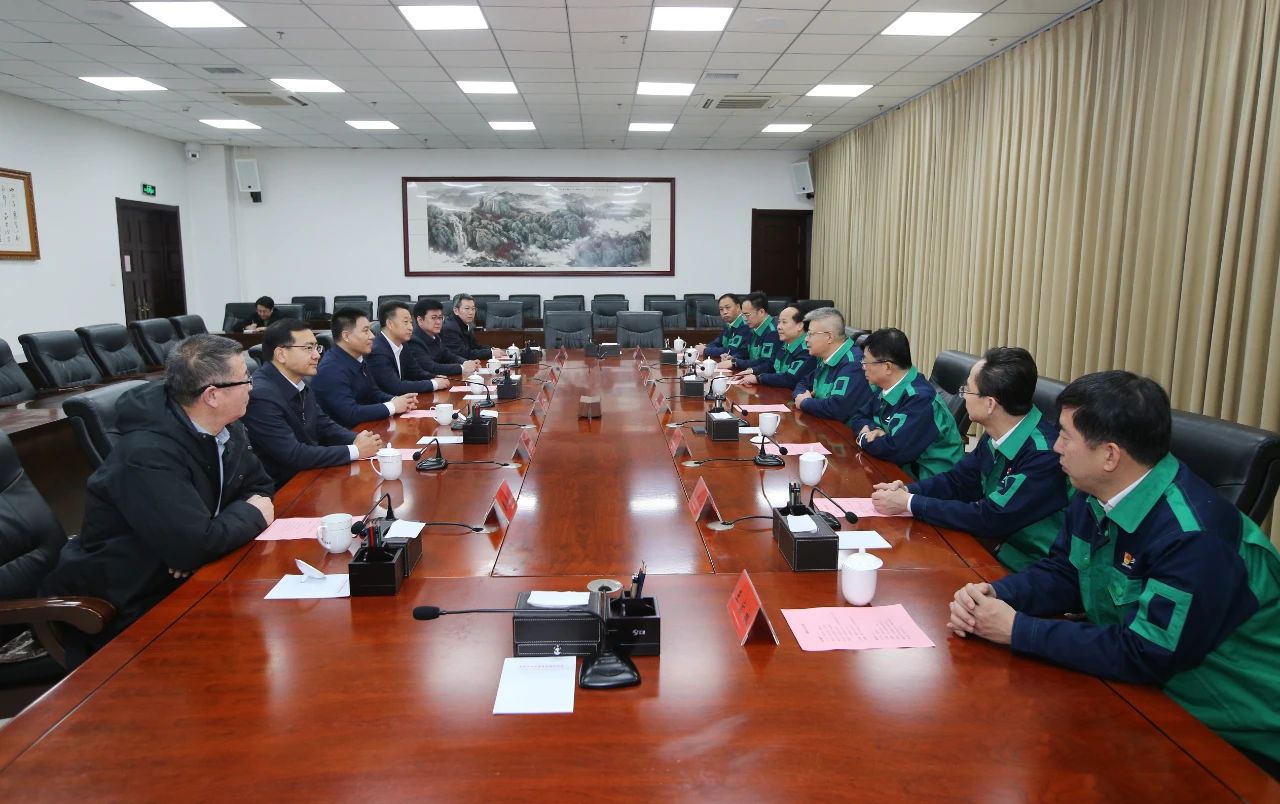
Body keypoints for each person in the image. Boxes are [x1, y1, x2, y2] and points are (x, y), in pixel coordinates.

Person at [947, 371, 1280, 773]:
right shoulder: (1095, 493)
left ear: (1109, 455)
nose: (1055, 446)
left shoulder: (1193, 537)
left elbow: (1146, 652)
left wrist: (1018, 629)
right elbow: (1065, 572)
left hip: (1229, 734)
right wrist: (996, 596)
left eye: (1066, 436)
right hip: (1136, 694)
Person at [39, 334, 275, 665]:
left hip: (183, 575)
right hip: (128, 600)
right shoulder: (147, 453)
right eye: (245, 378)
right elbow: (194, 545)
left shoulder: (226, 427)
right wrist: (237, 522)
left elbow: (261, 487)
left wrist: (202, 539)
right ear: (212, 395)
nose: (252, 386)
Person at [870, 347, 1068, 570]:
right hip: (990, 547)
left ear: (990, 404)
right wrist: (907, 491)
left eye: (967, 391)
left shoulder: (1044, 455)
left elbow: (990, 518)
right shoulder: (999, 431)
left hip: (1027, 566)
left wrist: (910, 503)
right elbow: (959, 480)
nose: (962, 396)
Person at [242, 319, 382, 489]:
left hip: (308, 474)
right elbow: (293, 454)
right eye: (308, 348)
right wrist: (356, 450)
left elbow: (323, 424)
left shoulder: (299, 382)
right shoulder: (261, 395)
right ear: (281, 355)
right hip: (283, 488)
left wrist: (357, 439)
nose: (317, 355)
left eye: (316, 347)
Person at [847, 327, 963, 479]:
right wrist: (876, 430)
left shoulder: (920, 399)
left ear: (887, 367)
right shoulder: (885, 385)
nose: (863, 366)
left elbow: (896, 451)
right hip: (894, 466)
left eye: (866, 361)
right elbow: (858, 417)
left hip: (928, 479)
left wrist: (864, 438)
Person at [311, 307, 418, 429]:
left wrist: (398, 400)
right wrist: (393, 406)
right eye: (365, 331)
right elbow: (350, 413)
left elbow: (373, 393)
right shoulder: (330, 369)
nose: (372, 336)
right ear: (346, 336)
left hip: (367, 428)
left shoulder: (358, 358)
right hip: (346, 435)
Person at [792, 307, 873, 422]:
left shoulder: (853, 363)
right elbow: (803, 382)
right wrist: (801, 397)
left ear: (829, 337)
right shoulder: (825, 356)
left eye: (810, 334)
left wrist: (805, 402)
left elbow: (837, 408)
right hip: (821, 422)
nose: (806, 339)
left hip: (844, 430)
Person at [369, 301, 450, 395]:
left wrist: (435, 377)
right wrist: (434, 384)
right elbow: (395, 387)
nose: (410, 327)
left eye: (411, 322)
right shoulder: (377, 351)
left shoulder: (403, 344)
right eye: (405, 322)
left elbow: (416, 372)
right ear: (390, 324)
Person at [735, 304, 816, 390]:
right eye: (779, 322)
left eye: (784, 322)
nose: (778, 327)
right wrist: (752, 371)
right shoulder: (784, 344)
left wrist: (759, 378)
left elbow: (790, 378)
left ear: (800, 326)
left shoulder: (807, 349)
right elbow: (771, 365)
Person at [403, 298, 479, 380]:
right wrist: (463, 367)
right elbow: (431, 368)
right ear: (420, 320)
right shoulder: (414, 341)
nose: (438, 322)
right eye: (433, 318)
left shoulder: (435, 336)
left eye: (440, 318)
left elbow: (448, 356)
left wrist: (466, 362)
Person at [719, 291, 781, 374]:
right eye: (743, 315)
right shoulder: (754, 326)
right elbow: (746, 351)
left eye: (747, 315)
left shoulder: (772, 332)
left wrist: (735, 362)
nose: (744, 319)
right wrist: (733, 358)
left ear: (761, 312)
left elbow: (766, 363)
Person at [442, 294, 503, 361]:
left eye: (473, 309)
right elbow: (462, 353)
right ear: (456, 311)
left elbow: (475, 346)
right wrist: (491, 353)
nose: (471, 312)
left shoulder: (466, 324)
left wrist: (491, 349)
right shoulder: (449, 328)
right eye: (467, 308)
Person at [696, 293, 749, 360]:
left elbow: (731, 350)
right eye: (721, 309)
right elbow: (717, 343)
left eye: (728, 307)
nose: (724, 312)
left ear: (738, 307)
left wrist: (705, 350)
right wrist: (706, 346)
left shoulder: (745, 325)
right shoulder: (728, 324)